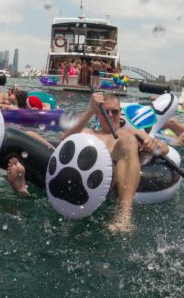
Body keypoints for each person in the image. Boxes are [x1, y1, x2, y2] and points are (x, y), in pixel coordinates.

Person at [61, 91, 169, 232]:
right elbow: (64, 141)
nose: (111, 115)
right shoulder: (89, 133)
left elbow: (164, 149)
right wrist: (89, 111)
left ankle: (124, 215)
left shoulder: (131, 133)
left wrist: (151, 143)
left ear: (120, 113)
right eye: (105, 112)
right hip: (89, 180)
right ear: (98, 115)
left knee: (128, 139)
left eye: (115, 111)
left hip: (116, 178)